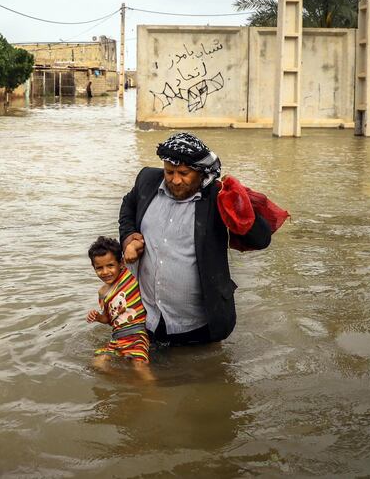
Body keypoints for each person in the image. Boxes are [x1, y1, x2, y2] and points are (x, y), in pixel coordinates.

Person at [119, 132, 272, 345]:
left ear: (200, 172)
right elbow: (128, 203)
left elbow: (261, 239)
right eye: (169, 171)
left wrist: (239, 204)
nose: (175, 180)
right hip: (147, 318)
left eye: (184, 173)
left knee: (201, 372)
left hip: (197, 326)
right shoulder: (147, 180)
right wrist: (128, 238)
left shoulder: (217, 197)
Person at [85, 236, 152, 379]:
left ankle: (152, 393)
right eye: (99, 268)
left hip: (137, 334)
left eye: (110, 265)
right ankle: (126, 380)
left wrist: (132, 244)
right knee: (97, 364)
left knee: (139, 366)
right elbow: (109, 319)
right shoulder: (102, 293)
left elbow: (140, 244)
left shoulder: (128, 275)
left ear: (120, 263)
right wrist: (97, 317)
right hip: (117, 338)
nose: (105, 272)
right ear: (94, 268)